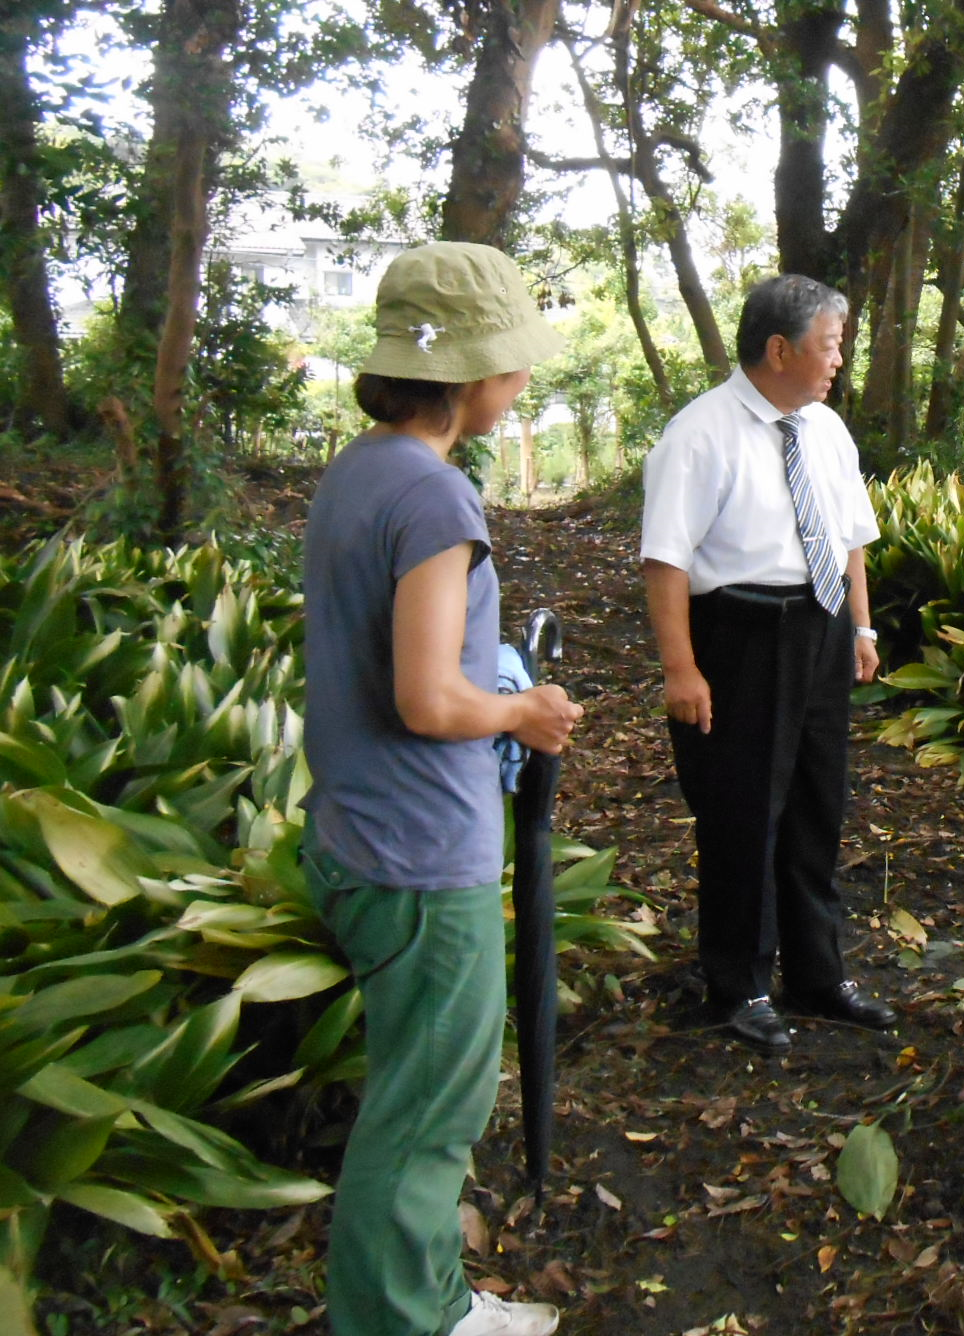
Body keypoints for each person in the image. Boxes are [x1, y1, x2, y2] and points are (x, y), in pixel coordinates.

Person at [301, 242, 584, 1336]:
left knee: (419, 1102)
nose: (523, 383)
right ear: (471, 374)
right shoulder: (437, 500)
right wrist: (524, 708)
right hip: (422, 854)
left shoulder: (360, 469)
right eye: (514, 362)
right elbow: (428, 696)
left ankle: (433, 1300)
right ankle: (402, 1322)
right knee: (426, 1119)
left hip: (359, 830)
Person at [640, 274, 894, 1052]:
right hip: (739, 635)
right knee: (744, 811)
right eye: (828, 346)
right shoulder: (699, 434)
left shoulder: (824, 429)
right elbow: (666, 562)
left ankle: (817, 975)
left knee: (818, 806)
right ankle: (739, 982)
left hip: (818, 634)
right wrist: (681, 669)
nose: (838, 361)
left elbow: (850, 534)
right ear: (779, 348)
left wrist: (861, 626)